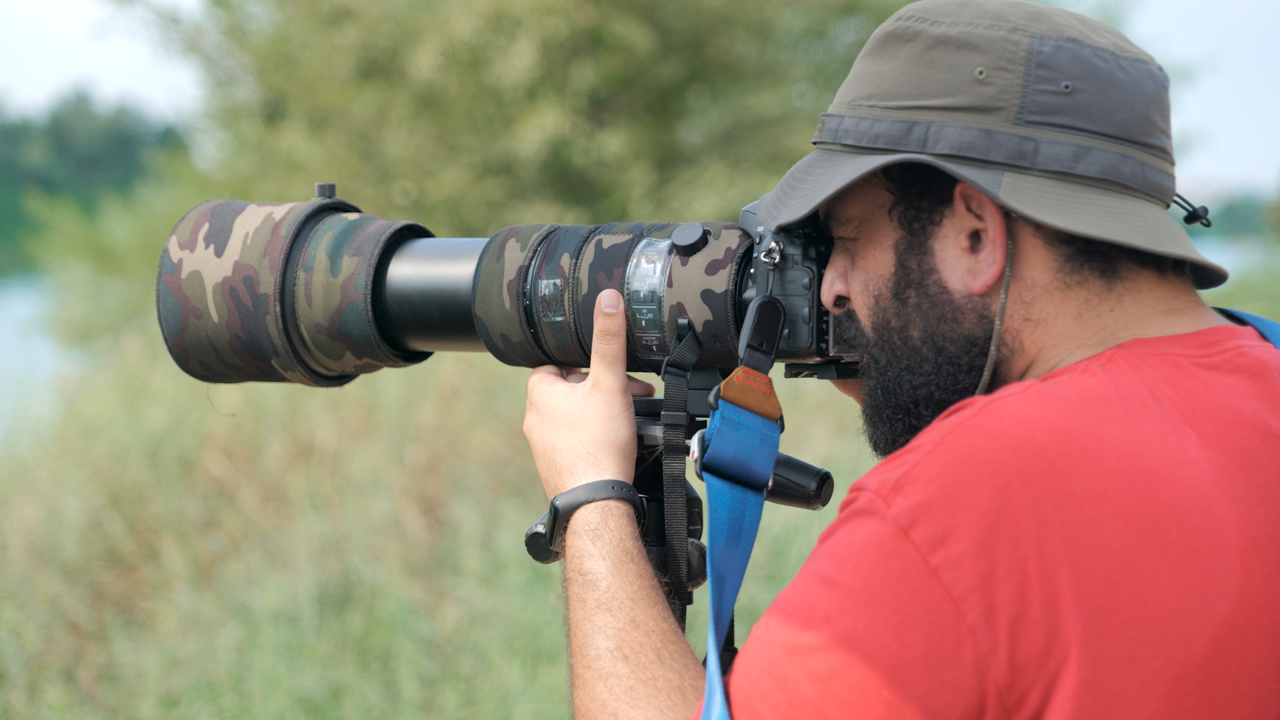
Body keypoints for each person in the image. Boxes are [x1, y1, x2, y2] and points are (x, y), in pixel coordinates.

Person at [522, 0, 1280, 717]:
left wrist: (591, 494)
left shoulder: (962, 503)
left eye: (847, 240)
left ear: (975, 233)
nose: (831, 290)